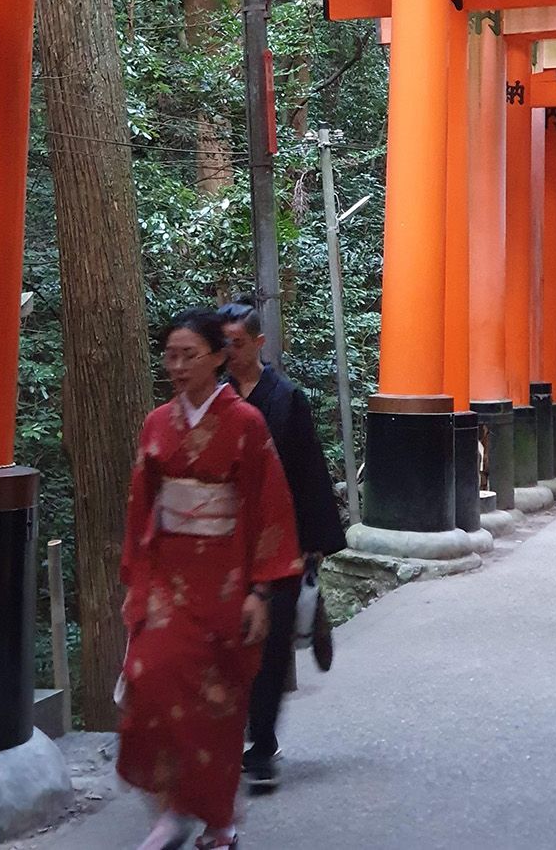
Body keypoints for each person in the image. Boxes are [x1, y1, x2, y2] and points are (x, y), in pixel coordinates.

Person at [117, 308, 302, 850]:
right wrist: (137, 577)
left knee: (216, 702)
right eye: (170, 355)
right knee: (148, 679)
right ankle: (172, 810)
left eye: (188, 355)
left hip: (225, 575)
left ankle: (219, 820)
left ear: (219, 357)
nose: (176, 366)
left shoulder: (246, 423)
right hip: (168, 573)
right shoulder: (156, 423)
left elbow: (269, 507)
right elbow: (140, 506)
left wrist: (260, 589)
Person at [219, 300, 346, 791]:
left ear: (258, 343)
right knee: (232, 642)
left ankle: (263, 743)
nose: (229, 352)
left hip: (282, 536)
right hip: (228, 539)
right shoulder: (218, 398)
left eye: (236, 342)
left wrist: (312, 544)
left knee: (270, 646)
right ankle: (242, 733)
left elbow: (309, 474)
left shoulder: (286, 398)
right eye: (222, 343)